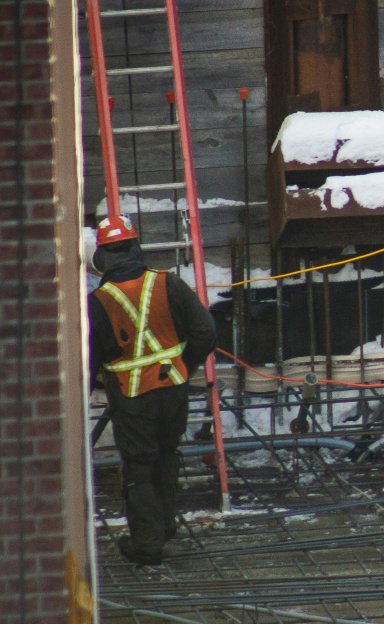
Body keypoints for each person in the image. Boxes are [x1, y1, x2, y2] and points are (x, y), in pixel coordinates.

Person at [87, 215, 216, 565]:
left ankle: (147, 544)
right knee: (167, 454)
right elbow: (205, 332)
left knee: (139, 466)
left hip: (131, 396)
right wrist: (183, 366)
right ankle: (163, 528)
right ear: (135, 247)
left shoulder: (98, 302)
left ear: (101, 257)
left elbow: (89, 361)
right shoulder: (168, 283)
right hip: (173, 388)